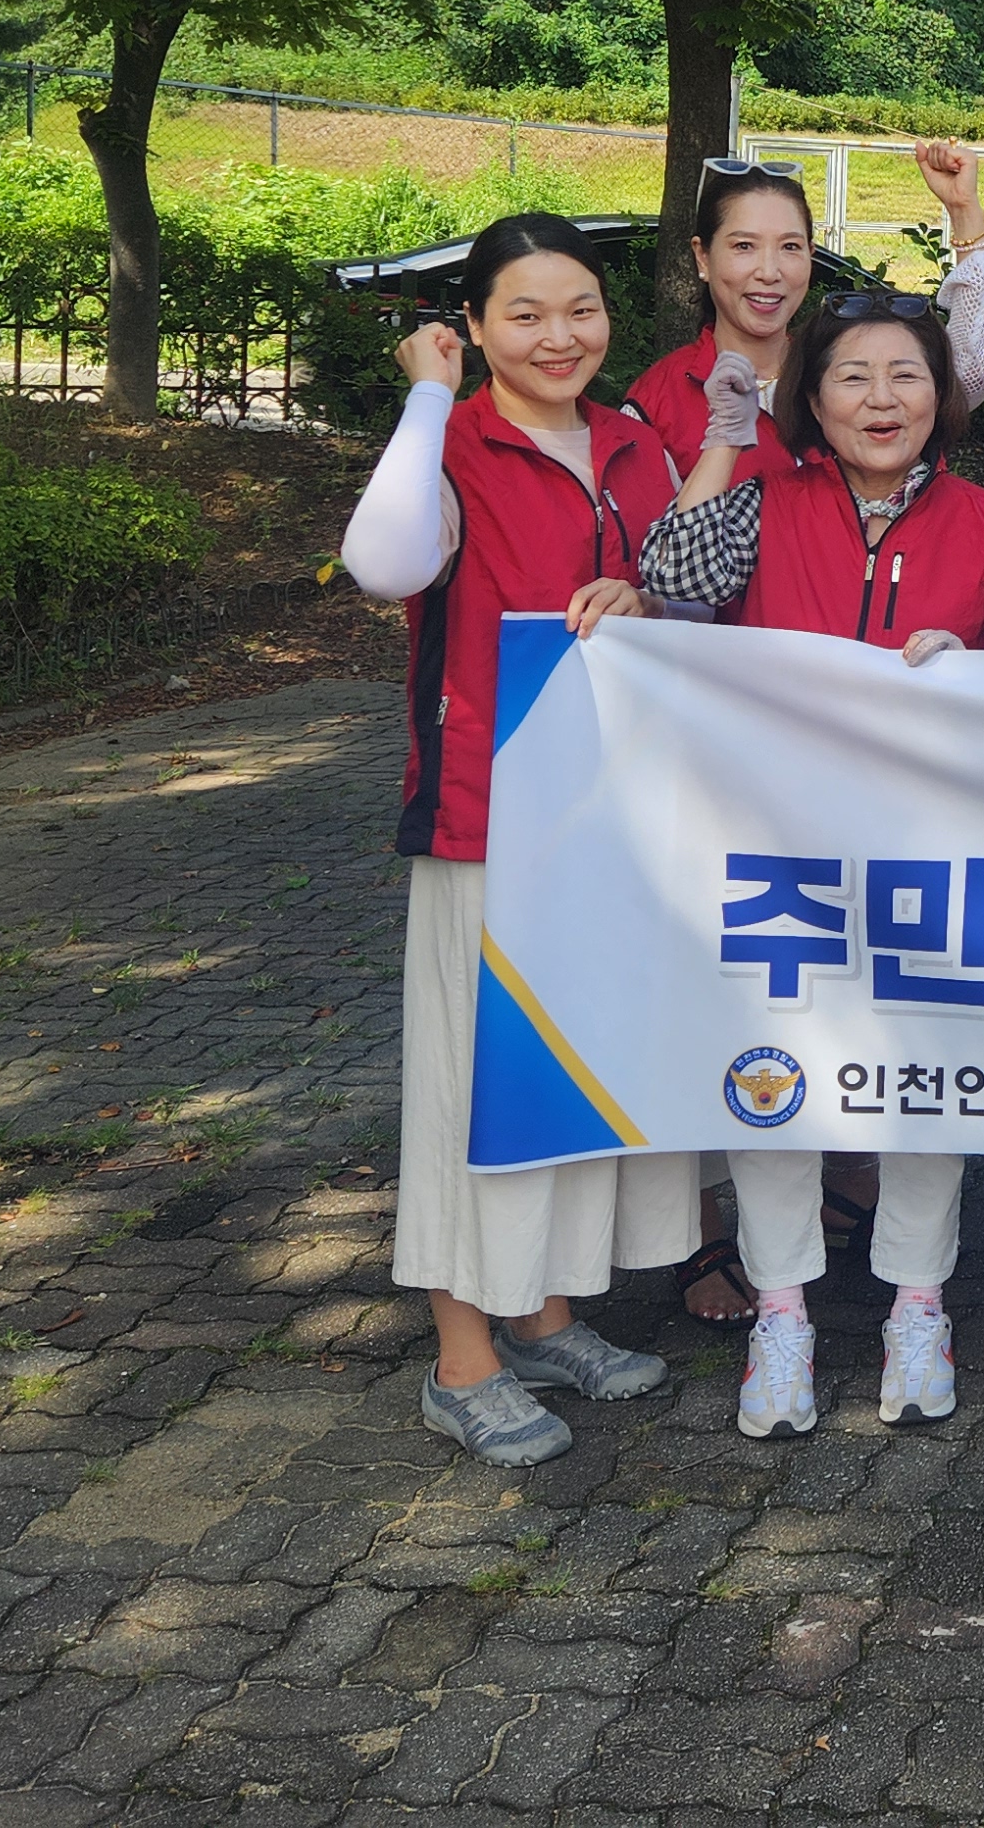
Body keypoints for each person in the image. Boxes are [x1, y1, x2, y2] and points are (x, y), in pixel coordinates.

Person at [616, 146, 984, 1327]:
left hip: (929, 853)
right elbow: (671, 574)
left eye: (906, 380)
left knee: (923, 1082)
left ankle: (916, 1310)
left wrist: (980, 671)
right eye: (852, 381)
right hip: (779, 846)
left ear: (942, 399)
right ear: (816, 401)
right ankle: (780, 1313)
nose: (881, 401)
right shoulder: (763, 499)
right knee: (774, 1071)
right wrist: (729, 440)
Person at [336, 212, 696, 1466]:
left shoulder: (637, 445)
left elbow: (689, 605)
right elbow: (383, 567)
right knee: (469, 1087)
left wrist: (645, 596)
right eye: (525, 314)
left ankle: (545, 1314)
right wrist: (428, 404)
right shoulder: (458, 446)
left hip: (613, 824)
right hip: (486, 819)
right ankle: (460, 1355)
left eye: (581, 309)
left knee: (568, 1078)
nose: (560, 336)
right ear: (473, 327)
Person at [622, 142, 984, 473]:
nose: (769, 271)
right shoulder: (657, 401)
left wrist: (964, 211)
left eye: (790, 247)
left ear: (812, 256)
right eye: (744, 246)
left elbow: (970, 370)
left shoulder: (842, 365)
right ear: (703, 257)